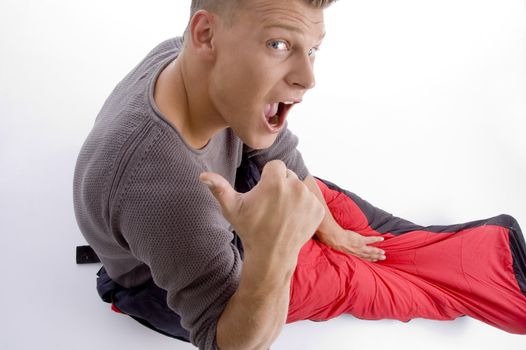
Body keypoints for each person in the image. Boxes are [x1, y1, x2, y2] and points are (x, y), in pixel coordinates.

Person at [73, 0, 526, 349]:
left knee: (354, 227)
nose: (308, 77)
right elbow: (226, 340)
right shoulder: (164, 192)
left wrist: (327, 228)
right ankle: (502, 289)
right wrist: (276, 252)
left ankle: (500, 259)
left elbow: (280, 151)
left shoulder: (189, 62)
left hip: (215, 204)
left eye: (311, 50)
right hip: (157, 283)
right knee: (347, 282)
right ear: (206, 34)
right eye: (279, 45)